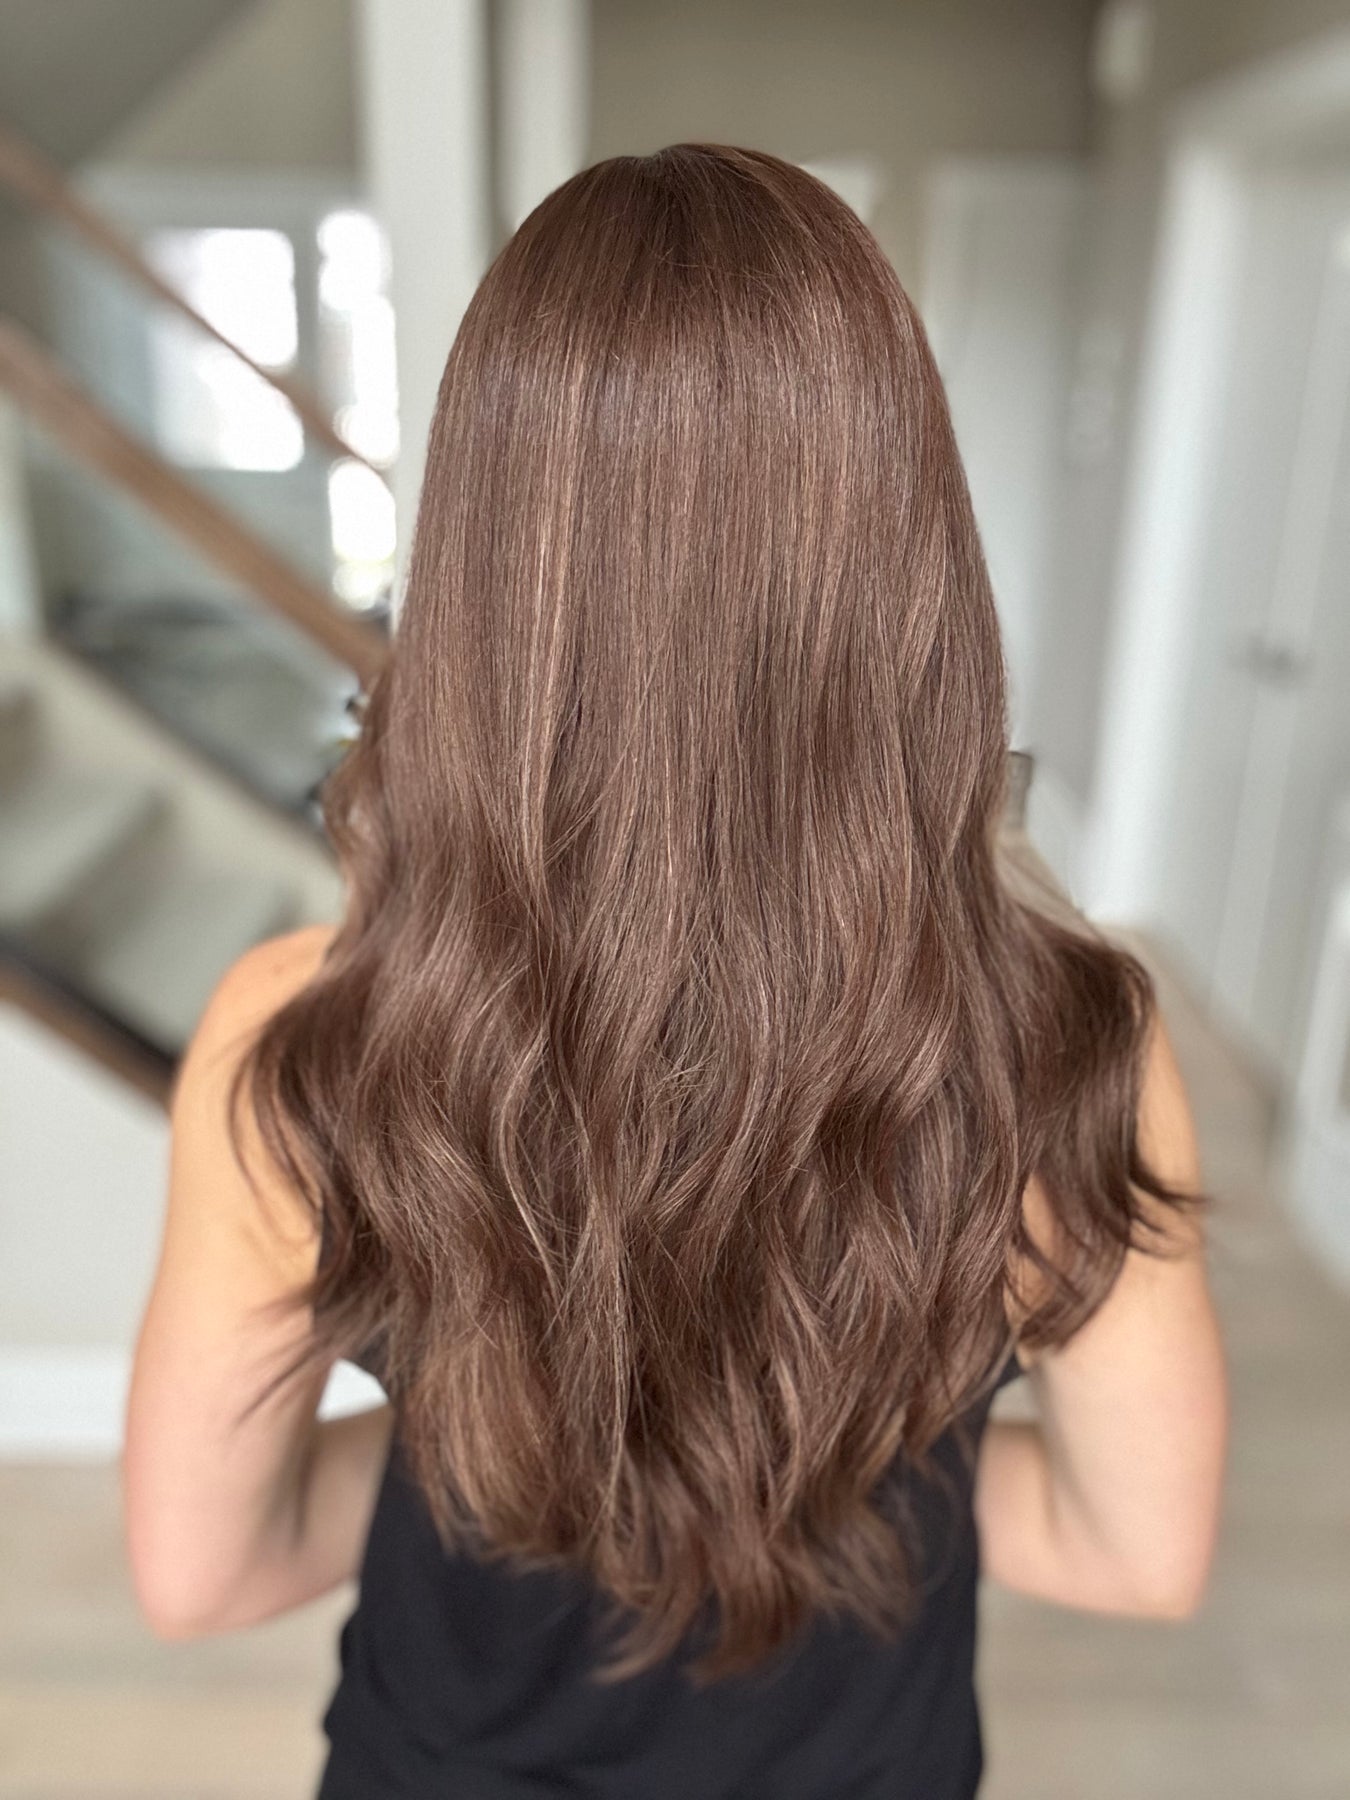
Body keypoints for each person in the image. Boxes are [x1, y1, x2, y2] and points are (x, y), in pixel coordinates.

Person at [122, 145, 1228, 1799]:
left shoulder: (299, 1046)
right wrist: (790, 1480)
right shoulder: (1068, 1049)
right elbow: (1132, 1553)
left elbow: (202, 1575)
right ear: (907, 558)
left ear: (485, 566)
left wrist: (516, 1459)